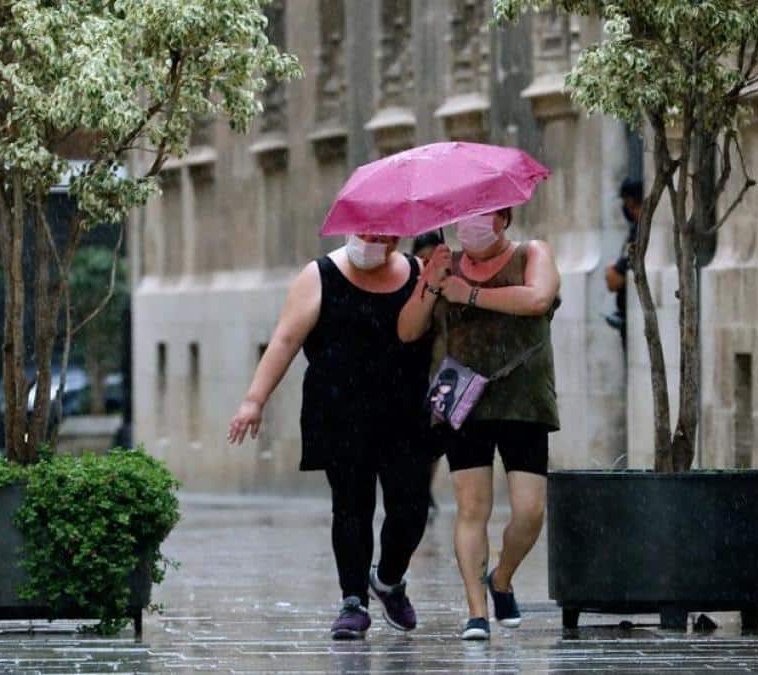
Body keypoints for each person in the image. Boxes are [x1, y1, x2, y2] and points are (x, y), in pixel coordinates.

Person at [228, 233, 434, 640]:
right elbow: (286, 339)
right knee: (351, 506)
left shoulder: (419, 271)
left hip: (405, 412)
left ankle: (389, 580)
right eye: (366, 232)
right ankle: (353, 600)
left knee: (411, 508)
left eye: (382, 234)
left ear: (395, 237)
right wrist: (254, 400)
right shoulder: (319, 275)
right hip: (341, 410)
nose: (373, 241)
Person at [398, 207, 560, 641]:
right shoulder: (443, 265)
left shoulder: (531, 254)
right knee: (472, 508)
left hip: (524, 399)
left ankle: (501, 578)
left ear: (504, 218)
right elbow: (408, 330)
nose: (470, 225)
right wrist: (431, 283)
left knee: (530, 511)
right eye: (464, 217)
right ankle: (476, 611)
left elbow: (537, 299)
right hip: (463, 400)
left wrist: (468, 294)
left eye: (482, 215)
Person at [411, 231, 445, 524]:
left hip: (443, 371)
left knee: (436, 439)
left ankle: (425, 487)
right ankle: (419, 487)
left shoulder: (450, 280)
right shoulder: (409, 282)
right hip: (415, 369)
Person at [605, 179, 642, 346]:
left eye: (629, 203)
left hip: (635, 318)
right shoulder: (635, 231)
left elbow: (614, 280)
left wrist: (612, 269)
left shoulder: (639, 233)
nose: (627, 209)